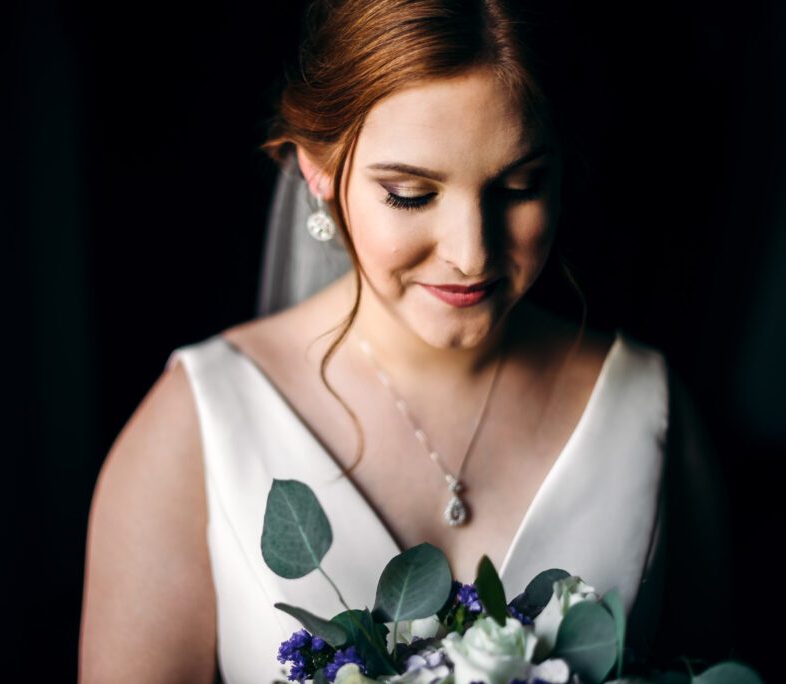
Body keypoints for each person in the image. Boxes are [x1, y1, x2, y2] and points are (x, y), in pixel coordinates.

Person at [78, 1, 733, 682]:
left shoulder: (650, 411)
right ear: (318, 172)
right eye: (411, 194)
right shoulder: (193, 428)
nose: (472, 254)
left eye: (519, 186)